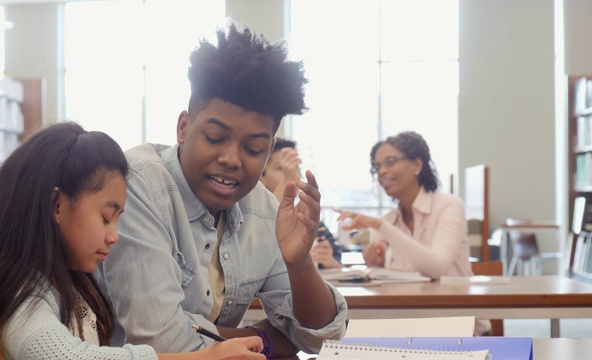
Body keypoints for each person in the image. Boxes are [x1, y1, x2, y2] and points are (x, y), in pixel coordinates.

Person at [99, 22, 347, 358]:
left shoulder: (263, 209)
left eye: (254, 148)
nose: (231, 159)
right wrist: (270, 338)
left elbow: (321, 338)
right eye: (215, 138)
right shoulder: (139, 185)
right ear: (183, 128)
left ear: (269, 148)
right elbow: (161, 342)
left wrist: (300, 262)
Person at [0, 122, 265, 359]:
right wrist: (201, 358)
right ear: (57, 205)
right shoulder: (16, 292)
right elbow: (63, 355)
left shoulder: (68, 284)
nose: (114, 236)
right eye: (105, 217)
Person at [335, 130, 491, 335]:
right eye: (377, 167)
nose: (381, 172)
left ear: (417, 164)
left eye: (390, 162)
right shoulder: (388, 221)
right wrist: (377, 266)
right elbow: (390, 285)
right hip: (406, 325)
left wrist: (381, 227)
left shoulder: (449, 206)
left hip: (458, 325)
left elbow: (436, 267)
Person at [260, 138, 343, 269]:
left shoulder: (312, 224)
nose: (292, 172)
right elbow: (263, 224)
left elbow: (339, 267)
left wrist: (331, 263)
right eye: (280, 168)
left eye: (295, 167)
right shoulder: (251, 221)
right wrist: (289, 179)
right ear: (261, 178)